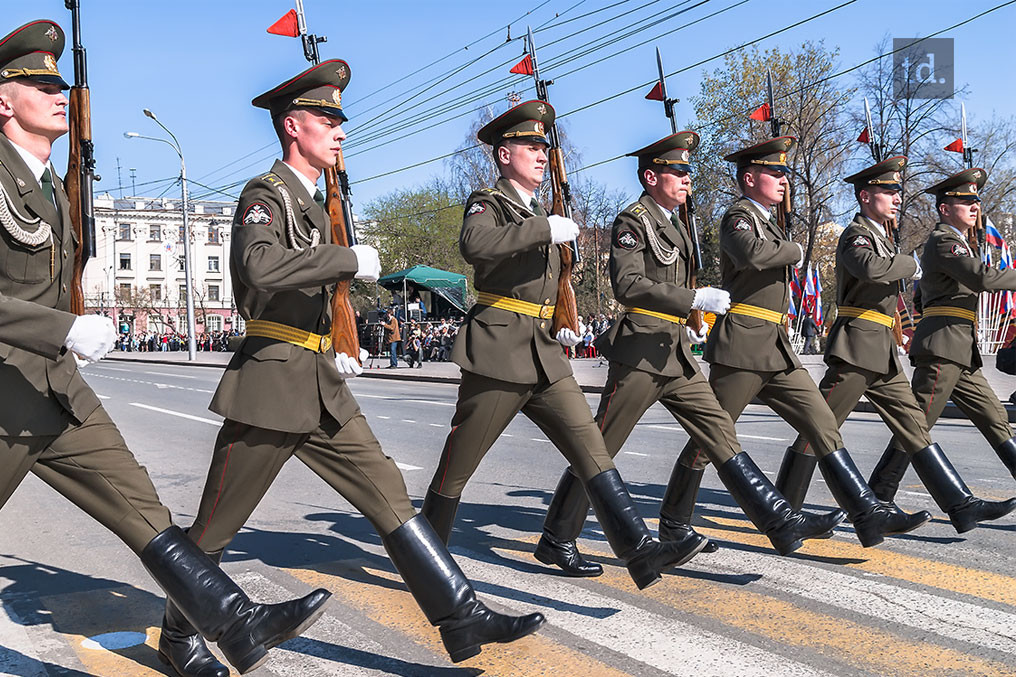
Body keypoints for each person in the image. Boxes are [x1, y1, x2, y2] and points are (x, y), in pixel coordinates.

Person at [158, 60, 544, 675]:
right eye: (327, 118)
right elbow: (259, 271)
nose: (340, 130)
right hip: (270, 382)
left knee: (388, 492)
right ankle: (178, 638)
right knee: (215, 526)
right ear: (293, 126)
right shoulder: (266, 195)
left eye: (341, 119)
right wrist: (343, 258)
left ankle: (460, 613)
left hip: (319, 384)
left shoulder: (316, 202)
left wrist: (339, 334)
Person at [0, 19, 331, 677]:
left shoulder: (47, 188)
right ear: (2, 99)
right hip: (4, 391)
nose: (58, 90)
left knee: (142, 506)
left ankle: (233, 622)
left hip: (52, 387)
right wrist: (61, 327)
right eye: (39, 82)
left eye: (61, 81)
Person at [421, 100, 708, 592]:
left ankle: (639, 550)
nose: (541, 153)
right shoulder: (487, 203)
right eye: (530, 146)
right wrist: (543, 228)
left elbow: (551, 284)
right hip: (498, 351)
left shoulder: (542, 211)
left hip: (545, 355)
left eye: (543, 146)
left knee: (590, 447)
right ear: (503, 154)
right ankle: (427, 566)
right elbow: (476, 246)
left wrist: (562, 318)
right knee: (457, 468)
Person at [533, 132, 844, 576]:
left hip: (676, 352)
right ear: (651, 176)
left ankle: (779, 520)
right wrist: (693, 299)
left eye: (687, 172)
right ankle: (556, 537)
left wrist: (692, 306)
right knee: (599, 447)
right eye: (678, 172)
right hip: (641, 351)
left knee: (719, 432)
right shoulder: (632, 222)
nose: (686, 180)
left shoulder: (678, 225)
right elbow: (629, 286)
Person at [672, 137, 926, 547]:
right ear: (750, 178)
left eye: (785, 173)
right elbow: (753, 255)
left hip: (775, 346)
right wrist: (791, 248)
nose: (783, 180)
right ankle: (674, 520)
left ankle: (866, 512)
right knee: (709, 438)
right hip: (741, 346)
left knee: (821, 421)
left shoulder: (770, 222)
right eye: (775, 173)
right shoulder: (737, 216)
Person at [777, 156, 996, 531]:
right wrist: (909, 264)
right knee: (820, 426)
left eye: (897, 191)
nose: (897, 198)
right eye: (888, 191)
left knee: (914, 426)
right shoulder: (855, 235)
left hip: (882, 350)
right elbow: (870, 269)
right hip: (856, 348)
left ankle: (960, 505)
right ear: (865, 197)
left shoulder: (881, 237)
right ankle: (783, 507)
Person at [865, 167, 1016, 531]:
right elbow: (981, 279)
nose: (974, 206)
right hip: (942, 346)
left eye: (976, 200)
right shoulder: (941, 241)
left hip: (960, 348)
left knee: (995, 419)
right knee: (917, 423)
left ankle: (882, 496)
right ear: (944, 208)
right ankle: (878, 496)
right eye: (965, 200)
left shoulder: (961, 242)